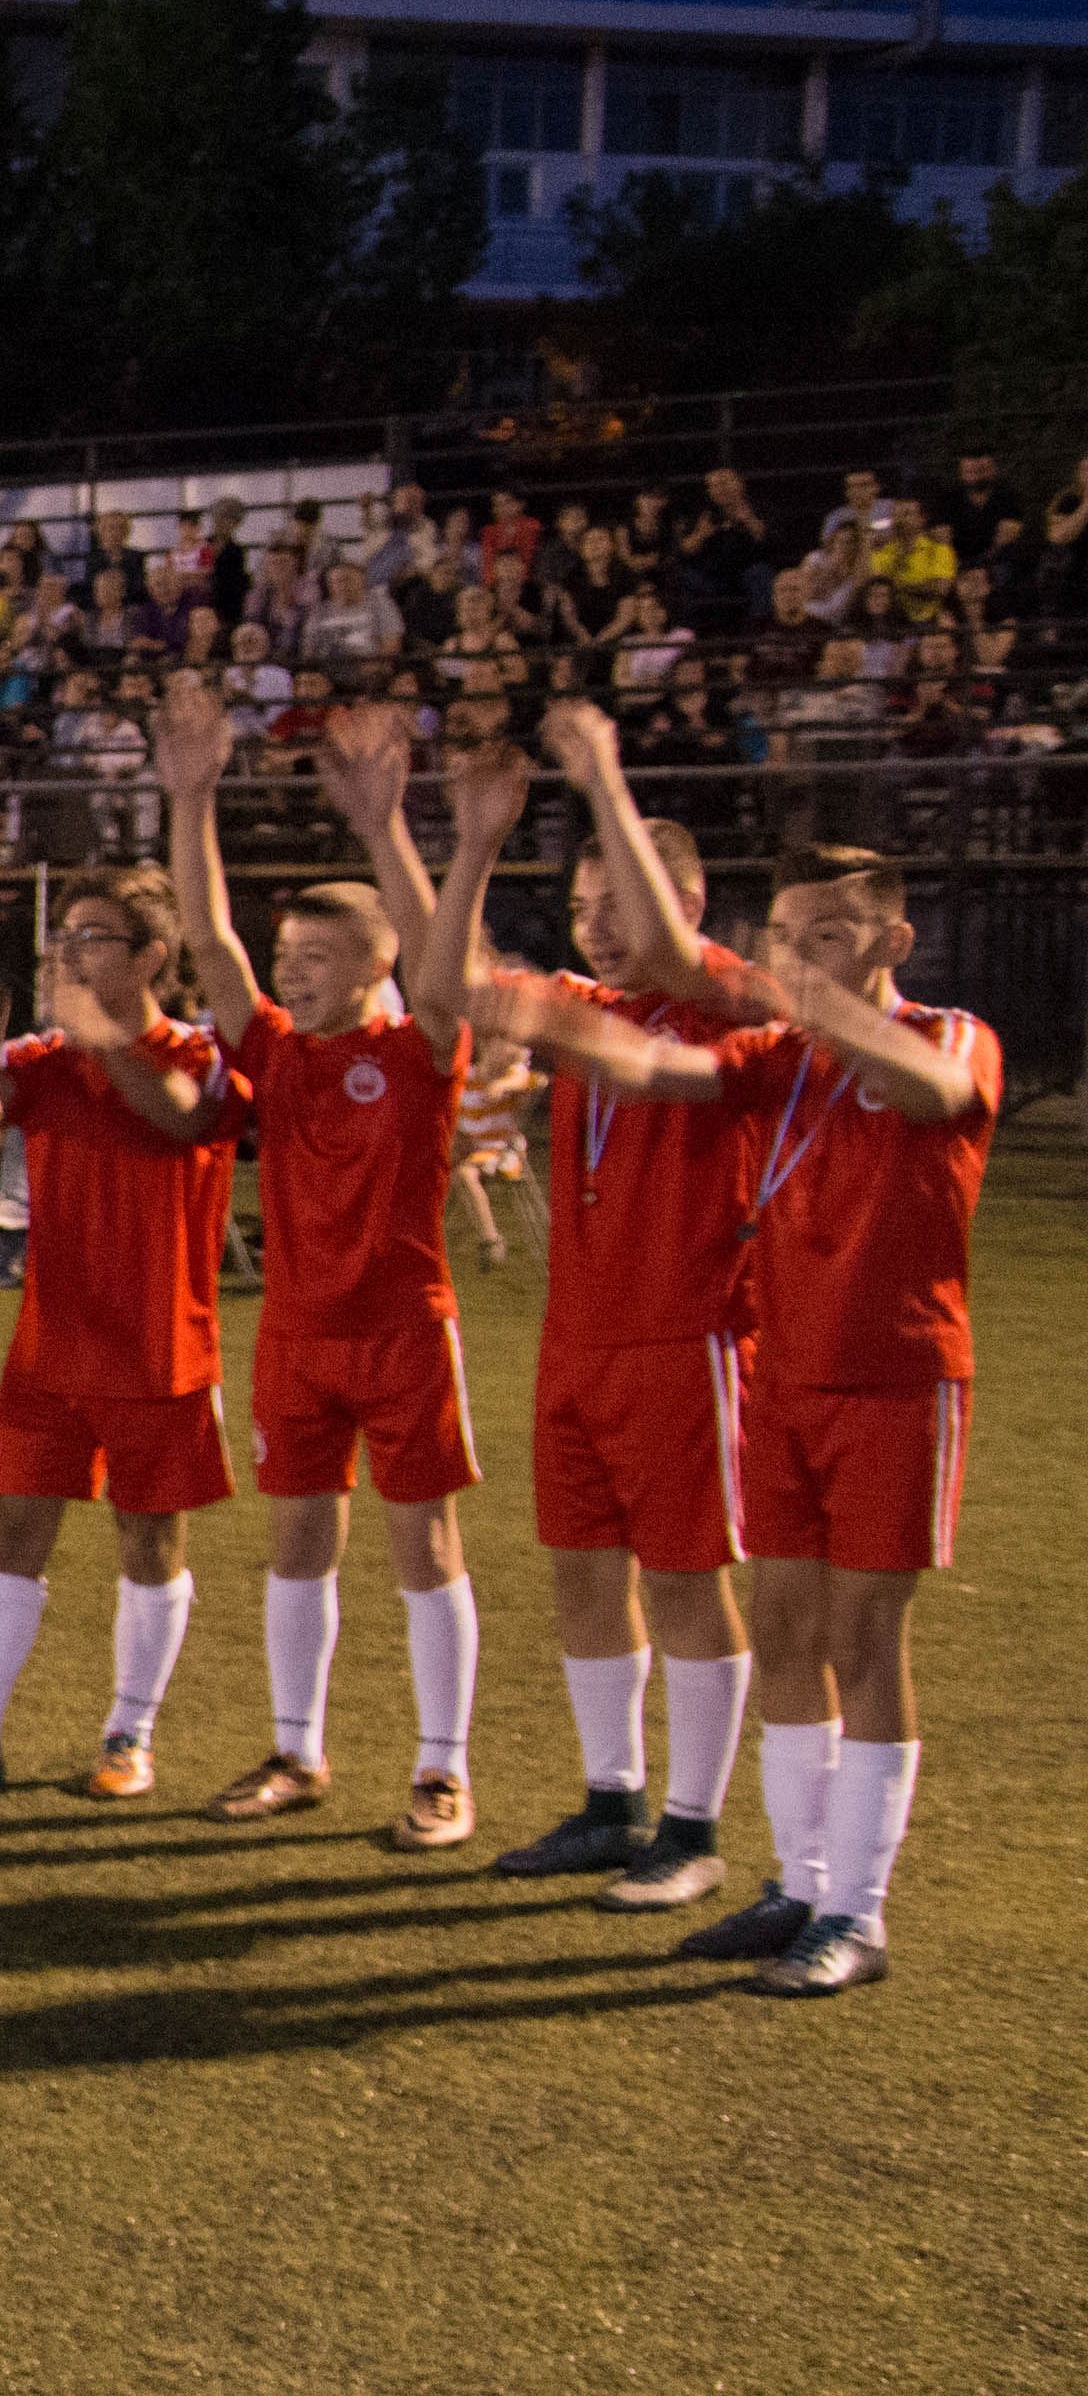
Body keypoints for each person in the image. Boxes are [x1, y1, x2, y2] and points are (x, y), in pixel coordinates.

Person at [482, 740, 1002, 1994]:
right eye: (787, 931)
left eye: (831, 931)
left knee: (862, 1636)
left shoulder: (951, 1036)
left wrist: (798, 993)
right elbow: (668, 1062)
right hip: (784, 1378)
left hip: (895, 1377)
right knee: (780, 1627)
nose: (801, 951)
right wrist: (552, 1025)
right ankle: (800, 1883)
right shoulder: (781, 1061)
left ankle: (858, 1915)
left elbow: (930, 1090)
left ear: (894, 939)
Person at [406, 702, 763, 1905]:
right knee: (581, 1567)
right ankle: (612, 1798)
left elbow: (668, 957)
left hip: (689, 1332)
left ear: (688, 902)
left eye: (624, 904)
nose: (602, 931)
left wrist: (604, 780)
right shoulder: (594, 1011)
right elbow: (445, 980)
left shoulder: (723, 1001)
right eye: (586, 909)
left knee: (682, 1576)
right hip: (584, 1335)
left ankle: (695, 1827)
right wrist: (474, 847)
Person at [174, 691, 488, 1842]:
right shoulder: (274, 1050)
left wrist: (383, 826)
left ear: (377, 961)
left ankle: (441, 1770)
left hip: (406, 1327)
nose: (292, 972)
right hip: (299, 1335)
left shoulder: (418, 1053)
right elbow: (208, 940)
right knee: (298, 1539)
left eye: (317, 956)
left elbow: (450, 970)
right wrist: (193, 790)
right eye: (288, 954)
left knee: (426, 1543)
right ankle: (297, 1751)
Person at [0, 863, 238, 1801]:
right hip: (52, 1342)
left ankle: (130, 1736)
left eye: (91, 938)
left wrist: (105, 1039)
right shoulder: (48, 1060)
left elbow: (183, 1122)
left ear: (152, 957)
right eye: (65, 940)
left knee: (149, 1541)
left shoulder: (201, 1053)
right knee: (12, 1529)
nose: (69, 955)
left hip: (160, 1344)